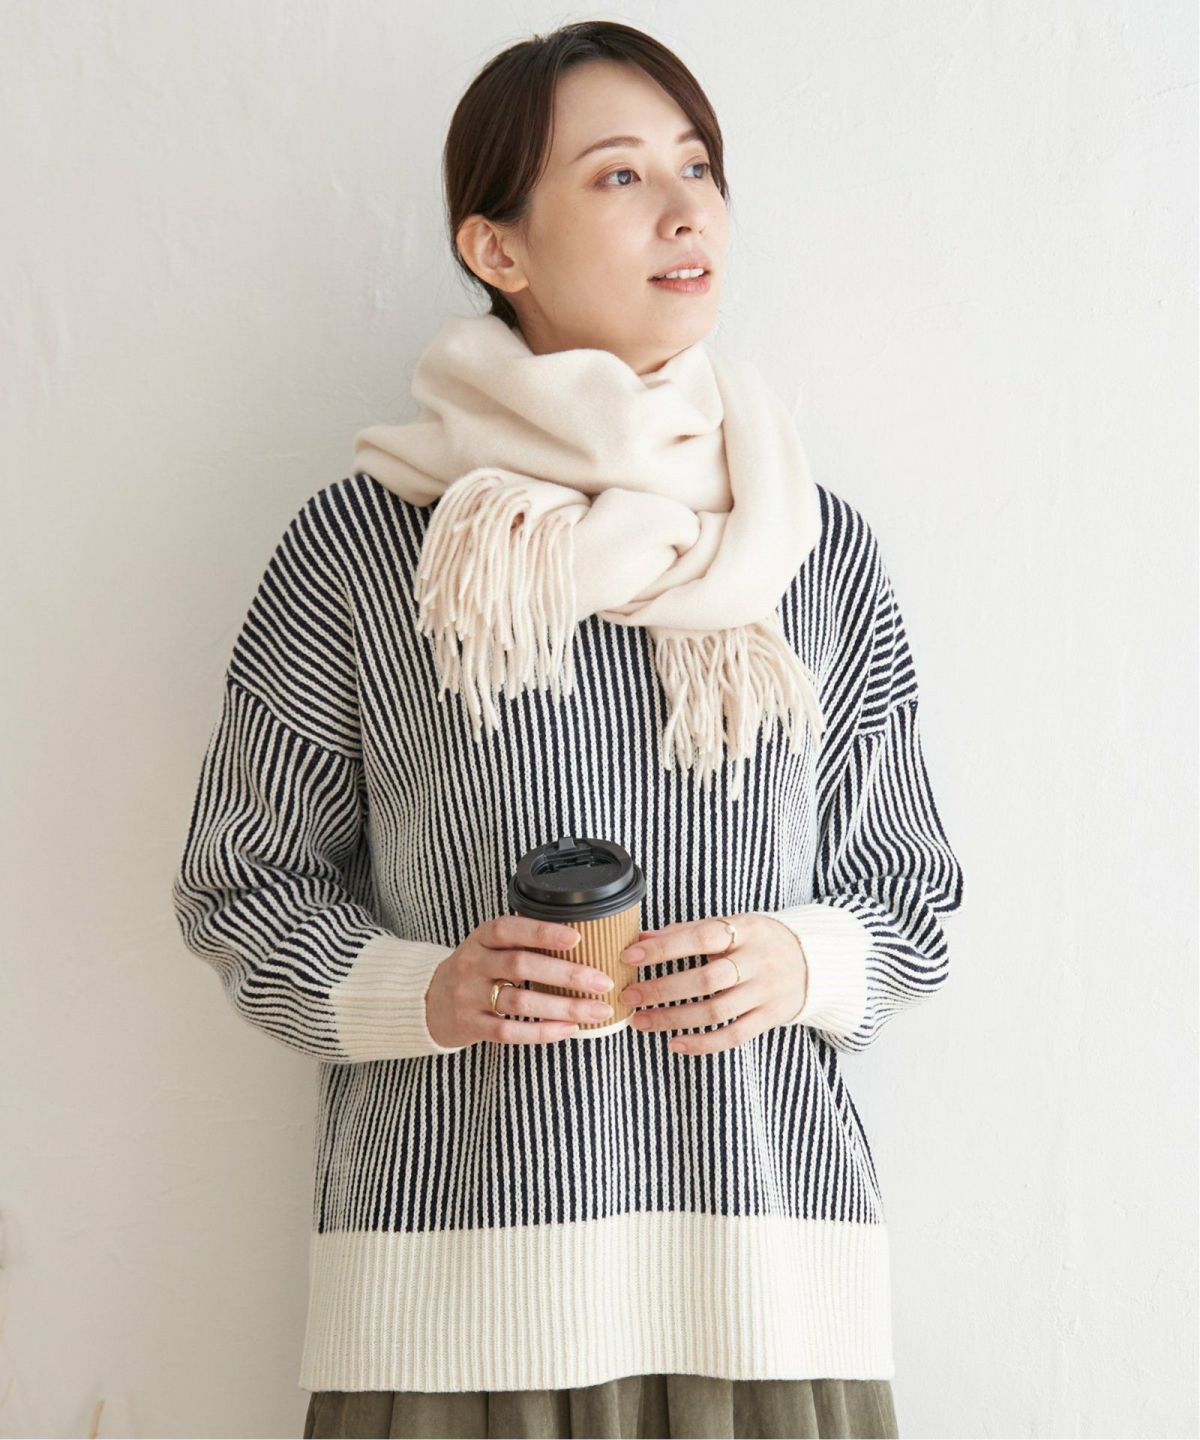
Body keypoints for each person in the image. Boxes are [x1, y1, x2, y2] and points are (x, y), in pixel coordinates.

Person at [172, 20, 964, 1440]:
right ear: (497, 247)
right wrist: (423, 994)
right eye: (619, 176)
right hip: (455, 1303)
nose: (686, 210)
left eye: (699, 167)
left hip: (765, 1299)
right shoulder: (367, 551)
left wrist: (798, 961)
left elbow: (912, 895)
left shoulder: (812, 550)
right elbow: (238, 886)